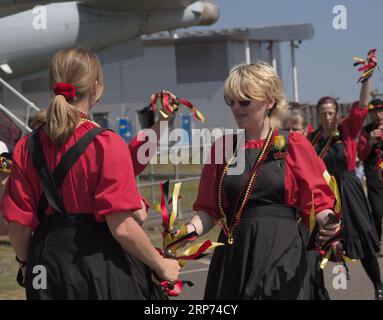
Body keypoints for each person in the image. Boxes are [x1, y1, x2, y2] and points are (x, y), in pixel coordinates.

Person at [0, 47, 180, 300]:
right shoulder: (105, 143)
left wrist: (26, 263)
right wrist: (162, 266)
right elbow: (122, 226)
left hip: (46, 265)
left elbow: (18, 227)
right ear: (96, 88)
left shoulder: (25, 147)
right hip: (100, 265)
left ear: (54, 86)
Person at [178, 62, 340, 300]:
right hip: (234, 255)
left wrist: (329, 221)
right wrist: (185, 233)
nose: (236, 108)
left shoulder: (293, 143)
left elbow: (317, 201)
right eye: (230, 101)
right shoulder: (222, 148)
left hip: (281, 251)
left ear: (270, 101)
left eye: (245, 101)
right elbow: (208, 210)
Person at [309, 75, 383, 299]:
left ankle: (379, 287)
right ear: (318, 115)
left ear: (337, 114)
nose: (328, 117)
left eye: (331, 113)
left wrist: (366, 79)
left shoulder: (347, 130)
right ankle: (320, 293)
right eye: (323, 113)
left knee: (364, 241)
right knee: (317, 245)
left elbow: (361, 107)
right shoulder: (312, 139)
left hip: (349, 191)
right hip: (325, 194)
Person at [283, 106, 330, 300]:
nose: (291, 134)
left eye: (295, 129)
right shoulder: (278, 157)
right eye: (287, 129)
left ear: (305, 131)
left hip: (307, 227)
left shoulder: (311, 158)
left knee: (312, 276)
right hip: (286, 229)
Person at [357, 98, 383, 247]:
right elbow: (360, 156)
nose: (377, 115)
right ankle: (377, 240)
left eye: (380, 111)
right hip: (374, 177)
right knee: (377, 212)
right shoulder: (366, 131)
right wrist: (370, 142)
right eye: (374, 113)